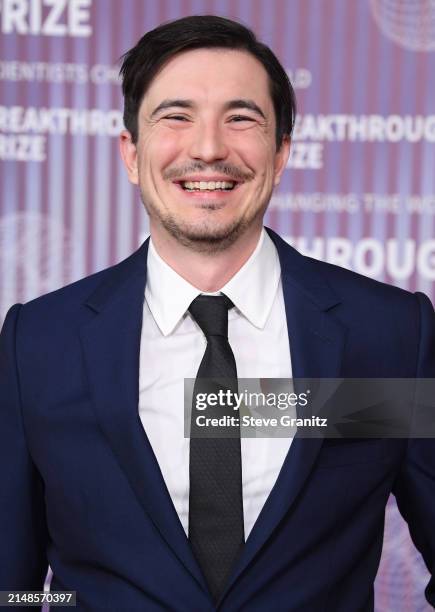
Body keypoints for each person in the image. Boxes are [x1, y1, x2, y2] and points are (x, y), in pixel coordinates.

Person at [1, 14, 434, 612]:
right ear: (131, 153)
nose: (208, 148)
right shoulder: (37, 343)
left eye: (241, 118)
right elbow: (11, 586)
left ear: (281, 153)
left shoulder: (387, 335)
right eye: (176, 117)